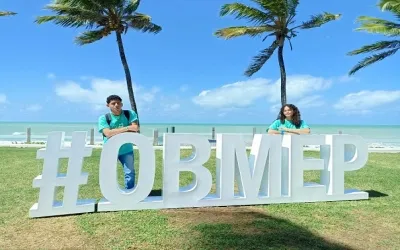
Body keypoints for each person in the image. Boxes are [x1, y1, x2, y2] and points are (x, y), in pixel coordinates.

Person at [98, 95, 139, 190]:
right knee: (109, 172)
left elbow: (135, 128)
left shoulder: (129, 114)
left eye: (118, 103)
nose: (116, 105)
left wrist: (114, 131)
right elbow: (107, 133)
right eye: (113, 103)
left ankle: (130, 192)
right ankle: (110, 192)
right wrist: (128, 128)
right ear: (107, 105)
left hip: (127, 149)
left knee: (129, 172)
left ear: (122, 104)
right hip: (110, 149)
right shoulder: (104, 118)